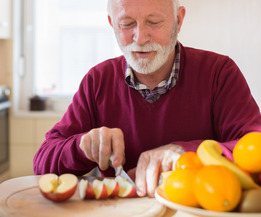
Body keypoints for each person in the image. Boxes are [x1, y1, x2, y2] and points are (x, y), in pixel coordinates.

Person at [33, 0, 261, 198]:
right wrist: (82, 147)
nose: (140, 38)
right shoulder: (97, 81)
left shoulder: (219, 73)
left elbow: (255, 147)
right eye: (127, 24)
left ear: (178, 21)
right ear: (112, 24)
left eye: (154, 22)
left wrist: (185, 152)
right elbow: (42, 162)